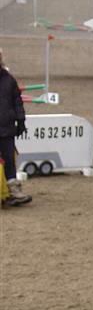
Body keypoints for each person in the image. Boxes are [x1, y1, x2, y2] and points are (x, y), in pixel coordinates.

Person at [0, 47, 32, 208]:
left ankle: (14, 191)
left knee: (9, 161)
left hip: (6, 129)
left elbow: (17, 101)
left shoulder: (9, 80)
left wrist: (21, 121)